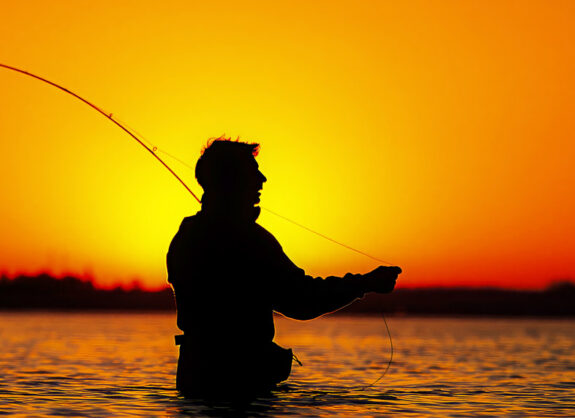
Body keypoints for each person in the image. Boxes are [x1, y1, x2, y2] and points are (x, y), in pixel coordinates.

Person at [166, 138, 401, 398]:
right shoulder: (249, 240)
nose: (262, 180)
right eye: (252, 172)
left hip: (195, 382)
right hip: (241, 386)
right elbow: (301, 300)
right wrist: (365, 283)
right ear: (231, 181)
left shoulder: (186, 237)